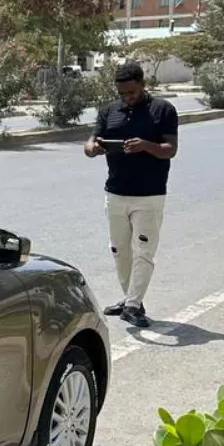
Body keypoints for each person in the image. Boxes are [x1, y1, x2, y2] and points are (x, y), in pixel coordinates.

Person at [84, 62, 178, 328]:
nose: (127, 97)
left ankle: (133, 306)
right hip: (115, 192)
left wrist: (146, 145)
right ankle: (130, 299)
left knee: (144, 251)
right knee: (119, 251)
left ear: (142, 84)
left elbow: (170, 149)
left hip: (149, 194)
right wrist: (93, 148)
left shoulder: (163, 110)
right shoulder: (109, 111)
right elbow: (91, 142)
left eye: (132, 93)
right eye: (122, 93)